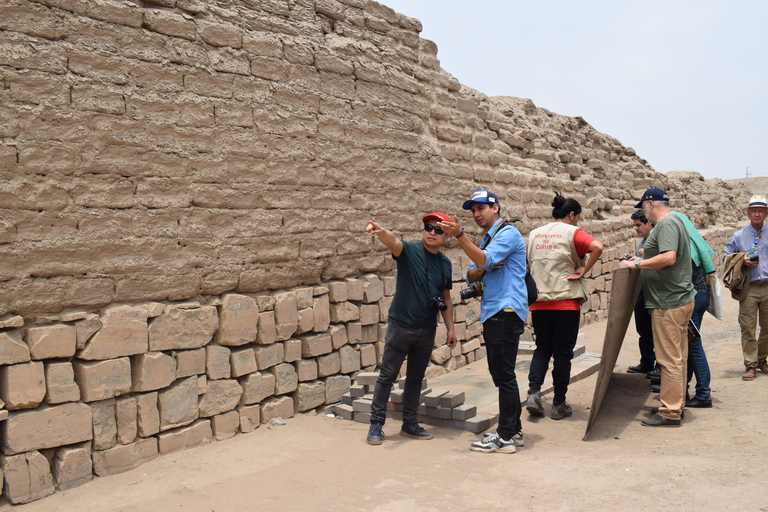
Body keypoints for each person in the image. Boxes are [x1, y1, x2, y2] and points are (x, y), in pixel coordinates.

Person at [438, 190, 528, 454]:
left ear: (496, 208)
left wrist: (460, 237)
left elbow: (482, 261)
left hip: (505, 310)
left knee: (504, 375)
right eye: (473, 210)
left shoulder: (508, 234)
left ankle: (505, 437)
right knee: (501, 374)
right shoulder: (491, 238)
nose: (477, 214)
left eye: (481, 209)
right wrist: (483, 265)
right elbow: (472, 273)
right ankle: (515, 430)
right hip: (495, 310)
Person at [365, 213, 457, 445]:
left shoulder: (446, 264)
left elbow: (446, 298)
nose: (431, 233)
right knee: (387, 375)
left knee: (415, 378)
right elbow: (392, 241)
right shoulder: (409, 251)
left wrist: (450, 329)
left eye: (438, 230)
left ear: (447, 236)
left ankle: (410, 424)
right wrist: (380, 231)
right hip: (401, 325)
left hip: (426, 329)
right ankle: (376, 424)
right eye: (428, 227)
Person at [619, 188, 694, 427]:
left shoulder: (666, 224)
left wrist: (639, 264)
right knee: (678, 358)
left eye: (643, 207)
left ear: (651, 204)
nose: (643, 213)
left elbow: (669, 257)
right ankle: (674, 404)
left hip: (668, 303)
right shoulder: (677, 221)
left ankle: (670, 411)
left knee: (669, 359)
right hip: (675, 300)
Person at [525, 193, 603, 420]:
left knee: (542, 348)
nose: (577, 221)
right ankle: (559, 404)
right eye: (577, 217)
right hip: (566, 302)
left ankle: (534, 393)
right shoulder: (573, 232)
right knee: (562, 353)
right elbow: (597, 246)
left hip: (539, 303)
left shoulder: (534, 235)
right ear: (571, 215)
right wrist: (584, 270)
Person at [671, 211, 715, 408]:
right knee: (689, 345)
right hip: (701, 297)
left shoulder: (685, 246)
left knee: (694, 346)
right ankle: (685, 390)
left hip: (692, 299)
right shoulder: (695, 243)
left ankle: (704, 393)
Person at [724, 194, 768, 381]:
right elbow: (726, 257)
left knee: (767, 327)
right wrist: (742, 260)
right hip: (748, 288)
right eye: (754, 211)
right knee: (748, 328)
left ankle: (761, 360)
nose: (757, 214)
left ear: (766, 213)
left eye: (761, 211)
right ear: (749, 213)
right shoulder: (738, 236)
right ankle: (750, 365)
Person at [626, 210, 657, 375]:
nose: (636, 229)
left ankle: (660, 368)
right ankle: (647, 363)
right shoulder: (643, 241)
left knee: (659, 332)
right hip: (643, 291)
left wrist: (641, 260)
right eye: (634, 225)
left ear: (649, 224)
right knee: (644, 330)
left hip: (656, 292)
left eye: (639, 225)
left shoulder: (657, 240)